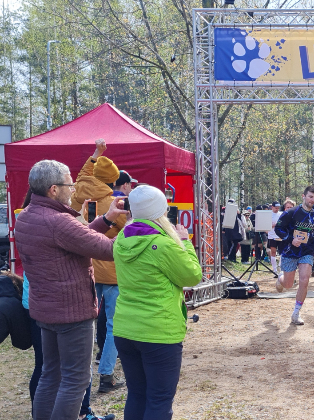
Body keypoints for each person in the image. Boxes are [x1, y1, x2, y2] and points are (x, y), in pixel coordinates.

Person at [16, 159, 127, 420]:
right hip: (71, 312)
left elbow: (75, 239)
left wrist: (106, 219)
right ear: (54, 189)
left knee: (51, 375)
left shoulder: (29, 215)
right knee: (75, 380)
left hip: (46, 311)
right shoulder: (57, 220)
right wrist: (137, 229)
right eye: (70, 184)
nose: (73, 189)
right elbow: (107, 250)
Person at [112, 185, 202, 419]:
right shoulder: (162, 245)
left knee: (137, 394)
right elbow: (192, 275)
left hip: (125, 328)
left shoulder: (122, 237)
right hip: (158, 332)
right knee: (159, 399)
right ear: (161, 211)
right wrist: (186, 242)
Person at [69, 139, 132, 394]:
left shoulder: (76, 192)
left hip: (87, 267)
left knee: (86, 324)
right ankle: (106, 374)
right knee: (114, 325)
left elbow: (85, 172)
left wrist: (96, 154)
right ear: (114, 181)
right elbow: (129, 233)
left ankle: (82, 380)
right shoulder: (111, 204)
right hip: (112, 270)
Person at [274, 186, 314, 325]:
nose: (312, 200)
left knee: (304, 280)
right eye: (310, 197)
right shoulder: (291, 213)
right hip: (289, 251)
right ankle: (280, 279)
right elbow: (279, 228)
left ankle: (296, 313)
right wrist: (290, 239)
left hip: (307, 251)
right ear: (303, 196)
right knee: (288, 284)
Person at [266, 201, 285, 276]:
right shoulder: (269, 215)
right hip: (272, 236)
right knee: (273, 252)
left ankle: (280, 268)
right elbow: (267, 225)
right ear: (272, 207)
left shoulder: (281, 214)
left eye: (278, 208)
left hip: (280, 236)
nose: (277, 209)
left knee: (282, 253)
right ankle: (274, 270)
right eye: (275, 208)